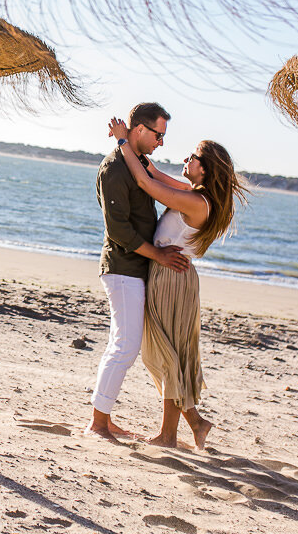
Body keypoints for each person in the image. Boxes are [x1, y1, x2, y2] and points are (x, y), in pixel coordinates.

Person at [108, 117, 246, 449]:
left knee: (166, 353)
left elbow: (144, 183)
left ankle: (170, 435)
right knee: (169, 353)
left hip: (171, 278)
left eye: (193, 158)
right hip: (172, 275)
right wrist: (132, 143)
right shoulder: (192, 193)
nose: (186, 160)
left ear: (206, 169)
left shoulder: (197, 202)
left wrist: (123, 141)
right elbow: (152, 172)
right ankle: (195, 423)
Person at [86, 102, 190, 442]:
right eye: (158, 134)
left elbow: (161, 183)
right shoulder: (114, 169)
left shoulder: (138, 162)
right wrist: (158, 255)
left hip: (139, 269)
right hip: (122, 268)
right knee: (125, 346)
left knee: (130, 345)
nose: (161, 142)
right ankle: (99, 423)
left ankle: (104, 419)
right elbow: (119, 232)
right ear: (140, 130)